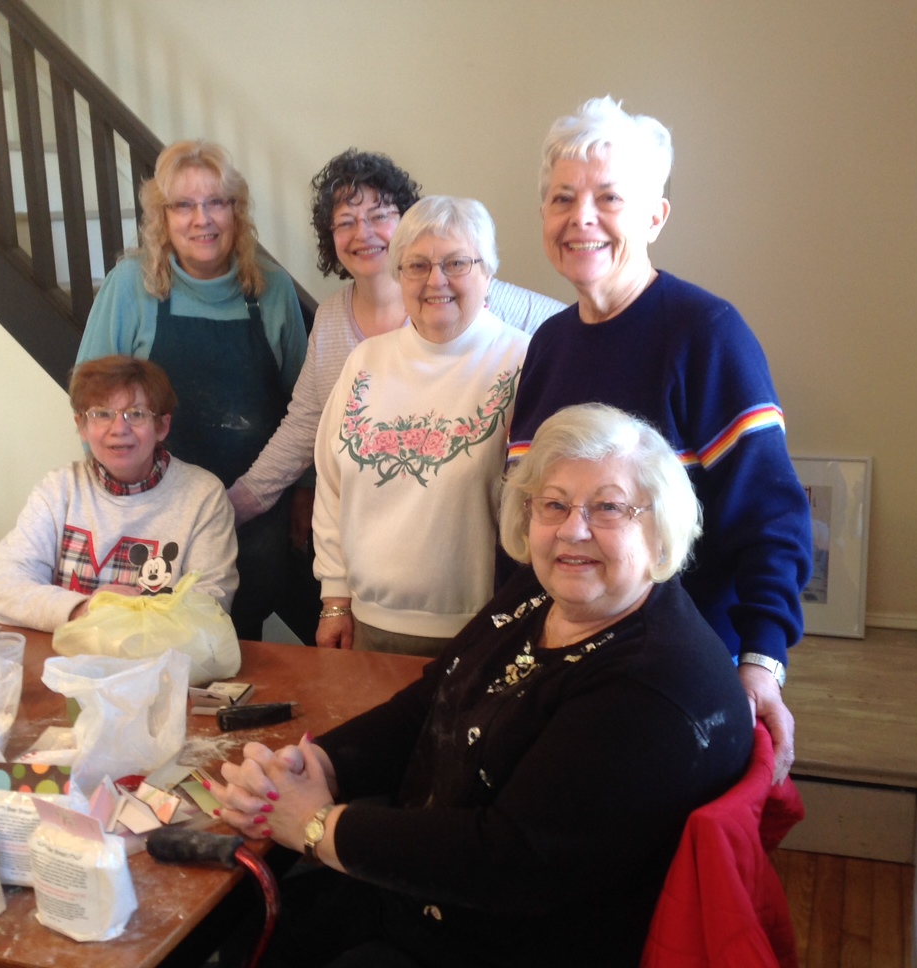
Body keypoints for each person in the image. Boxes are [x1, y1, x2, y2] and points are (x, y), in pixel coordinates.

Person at [208, 403, 755, 968]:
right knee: (241, 927)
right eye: (554, 504)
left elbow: (511, 860)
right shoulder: (542, 593)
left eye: (609, 507)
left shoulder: (652, 687)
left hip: (501, 941)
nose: (573, 529)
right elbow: (432, 700)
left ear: (660, 525)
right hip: (422, 899)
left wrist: (318, 824)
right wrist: (320, 766)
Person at [505, 96, 812, 782]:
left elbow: (773, 520)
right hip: (567, 673)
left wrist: (763, 660)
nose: (581, 217)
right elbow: (533, 519)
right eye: (562, 198)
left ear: (654, 216)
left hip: (677, 681)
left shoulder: (707, 335)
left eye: (608, 197)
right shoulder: (549, 344)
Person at [227, 148, 565, 532]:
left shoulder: (469, 294)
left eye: (379, 216)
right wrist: (236, 504)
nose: (363, 234)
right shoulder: (331, 318)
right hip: (364, 540)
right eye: (345, 222)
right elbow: (305, 426)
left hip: (467, 539)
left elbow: (569, 332)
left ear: (408, 223)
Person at [75, 139, 306, 641]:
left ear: (236, 211)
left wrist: (305, 496)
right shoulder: (129, 286)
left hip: (255, 514)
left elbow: (307, 411)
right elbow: (92, 401)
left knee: (233, 651)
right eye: (183, 205)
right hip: (152, 519)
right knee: (146, 646)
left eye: (216, 202)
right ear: (164, 217)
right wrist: (109, 505)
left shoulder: (272, 291)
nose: (202, 219)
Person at [312, 195, 530, 656]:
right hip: (365, 626)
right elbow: (331, 486)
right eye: (417, 265)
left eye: (456, 263)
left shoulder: (522, 360)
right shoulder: (365, 362)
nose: (436, 280)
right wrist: (335, 599)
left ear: (487, 272)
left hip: (479, 634)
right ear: (399, 275)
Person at [0, 355, 237, 631]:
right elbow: (2, 585)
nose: (119, 429)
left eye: (136, 414)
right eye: (102, 414)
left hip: (157, 665)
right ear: (82, 426)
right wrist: (87, 608)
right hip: (67, 664)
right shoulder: (59, 489)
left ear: (162, 426)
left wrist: (124, 616)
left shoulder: (203, 496)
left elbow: (211, 607)